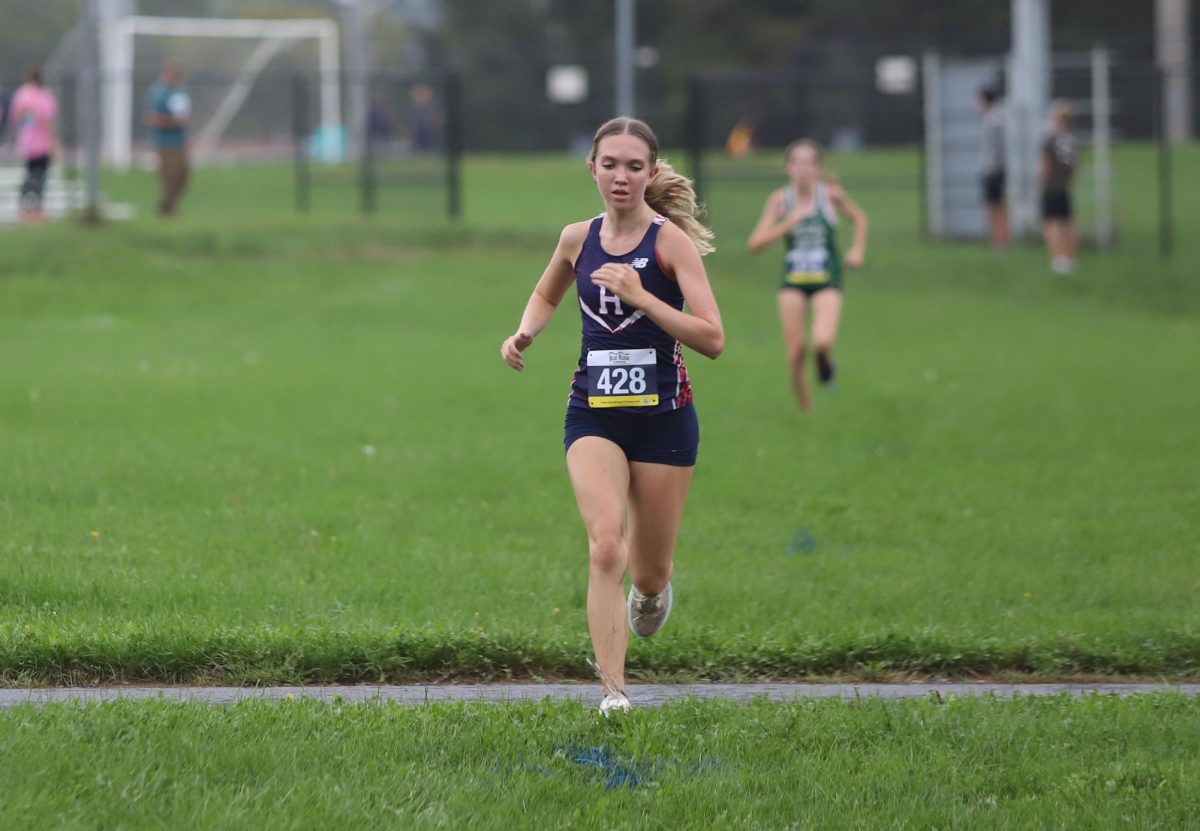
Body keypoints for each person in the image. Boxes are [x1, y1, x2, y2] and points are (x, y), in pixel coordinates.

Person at [499, 117, 724, 716]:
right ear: (593, 169)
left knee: (648, 576)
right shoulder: (578, 238)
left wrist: (643, 296)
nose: (620, 176)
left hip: (664, 420)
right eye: (609, 164)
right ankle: (614, 694)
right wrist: (524, 333)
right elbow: (547, 293)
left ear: (651, 173)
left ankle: (651, 596)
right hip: (593, 413)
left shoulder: (669, 243)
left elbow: (712, 338)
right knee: (605, 547)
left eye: (633, 166)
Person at [746, 140, 867, 412]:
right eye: (796, 162)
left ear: (817, 167)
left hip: (827, 279)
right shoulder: (780, 200)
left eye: (809, 162)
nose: (802, 168)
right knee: (796, 352)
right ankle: (806, 410)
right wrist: (786, 224)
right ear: (788, 167)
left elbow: (859, 218)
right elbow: (754, 244)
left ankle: (825, 360)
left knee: (821, 341)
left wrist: (857, 250)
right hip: (793, 282)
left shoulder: (830, 196)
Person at [10, 67, 58, 222]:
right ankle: (37, 208)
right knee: (41, 176)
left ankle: (24, 207)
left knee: (29, 175)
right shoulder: (43, 95)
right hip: (42, 143)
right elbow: (46, 121)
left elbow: (16, 118)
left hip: (27, 142)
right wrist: (54, 142)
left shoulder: (21, 95)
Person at [144, 61, 191, 217]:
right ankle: (168, 209)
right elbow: (152, 119)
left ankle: (167, 206)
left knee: (182, 175)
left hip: (179, 141)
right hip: (164, 142)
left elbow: (184, 119)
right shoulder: (158, 93)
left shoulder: (180, 93)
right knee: (169, 175)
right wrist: (173, 122)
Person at [1040, 99, 1078, 275]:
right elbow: (1075, 166)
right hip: (1064, 185)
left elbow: (1046, 164)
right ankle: (1071, 258)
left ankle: (1058, 258)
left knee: (1050, 223)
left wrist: (1041, 180)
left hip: (1051, 186)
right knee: (1067, 222)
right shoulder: (1070, 138)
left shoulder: (1051, 138)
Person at [977, 86, 1009, 249]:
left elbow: (997, 149)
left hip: (993, 171)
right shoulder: (992, 118)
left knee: (995, 208)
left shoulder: (993, 120)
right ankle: (998, 242)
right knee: (994, 207)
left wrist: (992, 168)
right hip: (992, 169)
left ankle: (1001, 242)